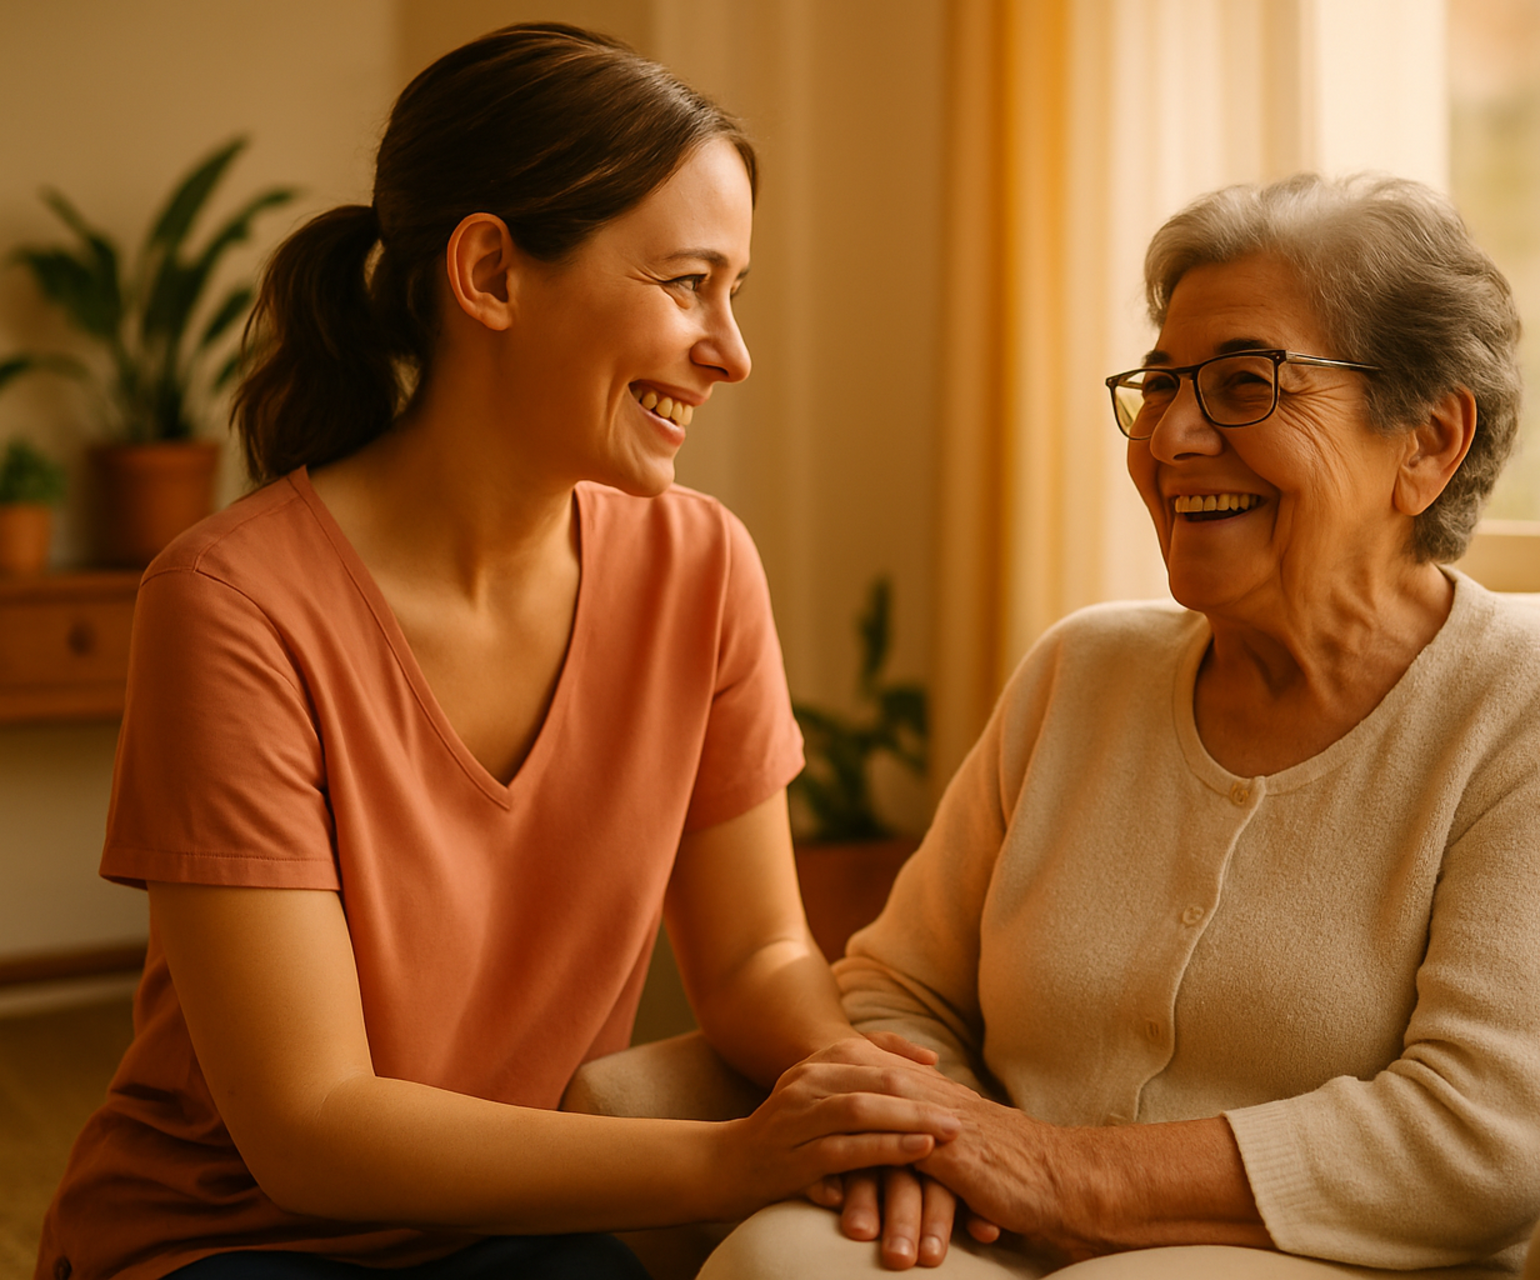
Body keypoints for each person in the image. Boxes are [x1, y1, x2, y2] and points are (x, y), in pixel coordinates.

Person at [34, 25, 962, 1280]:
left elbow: (754, 955)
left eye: (736, 291)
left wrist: (859, 1092)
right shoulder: (229, 604)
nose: (732, 351)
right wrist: (737, 1156)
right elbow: (310, 1127)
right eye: (689, 282)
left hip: (506, 1227)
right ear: (490, 272)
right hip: (226, 1240)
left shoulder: (702, 566)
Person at [694, 174, 1540, 1278]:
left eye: (1245, 386)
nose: (1172, 436)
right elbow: (898, 982)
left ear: (1428, 441)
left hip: (1376, 1258)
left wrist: (1059, 1173)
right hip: (1002, 1226)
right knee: (775, 1259)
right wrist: (933, 1142)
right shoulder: (1082, 670)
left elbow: (1485, 1129)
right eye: (1160, 386)